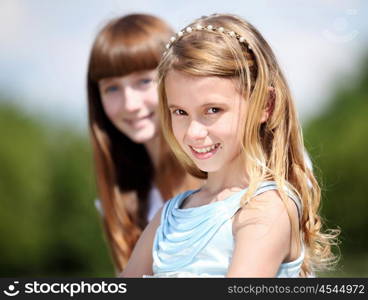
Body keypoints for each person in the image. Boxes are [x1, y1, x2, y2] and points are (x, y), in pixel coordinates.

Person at [121, 14, 340, 277]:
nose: (194, 132)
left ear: (265, 105)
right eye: (180, 112)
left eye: (212, 110)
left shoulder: (266, 209)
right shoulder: (168, 216)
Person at [86, 14, 200, 275]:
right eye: (112, 88)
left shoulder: (234, 168)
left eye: (144, 81)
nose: (130, 104)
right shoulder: (119, 199)